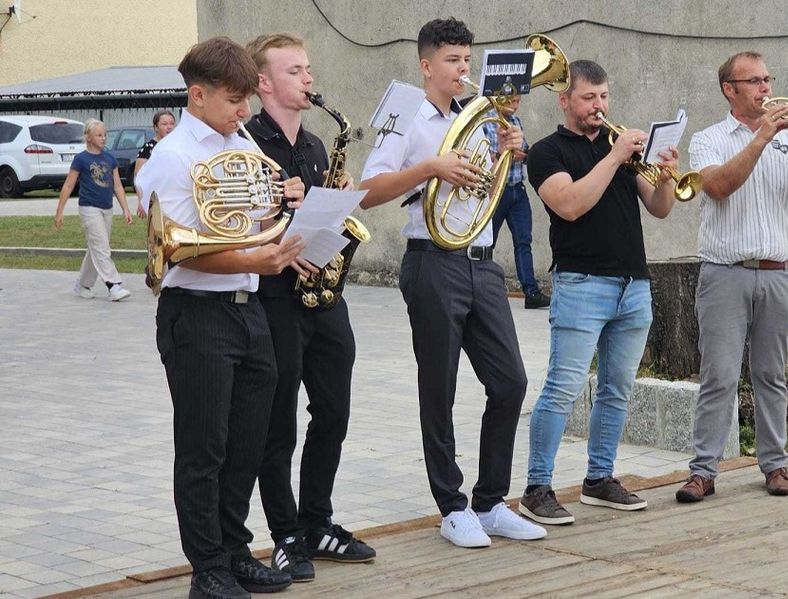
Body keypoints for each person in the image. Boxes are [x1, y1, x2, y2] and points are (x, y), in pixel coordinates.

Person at [357, 17, 545, 549]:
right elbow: (369, 191)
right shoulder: (405, 115)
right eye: (452, 61)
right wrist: (432, 167)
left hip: (482, 262)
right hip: (432, 260)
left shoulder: (475, 114)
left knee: (510, 381)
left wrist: (512, 147)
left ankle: (489, 502)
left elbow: (490, 183)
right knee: (438, 388)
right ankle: (452, 505)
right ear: (426, 65)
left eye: (467, 60)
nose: (463, 70)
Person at [134, 36, 308, 599]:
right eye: (235, 100)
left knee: (247, 444)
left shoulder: (244, 147)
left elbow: (258, 218)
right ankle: (206, 567)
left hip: (248, 307)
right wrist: (257, 256)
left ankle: (234, 550)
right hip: (198, 313)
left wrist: (289, 203)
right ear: (198, 94)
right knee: (204, 447)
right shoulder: (173, 156)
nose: (245, 111)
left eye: (246, 101)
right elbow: (182, 248)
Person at [518, 59, 680, 525]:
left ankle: (599, 479)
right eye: (589, 98)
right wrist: (614, 157)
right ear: (564, 100)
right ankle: (537, 486)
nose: (599, 106)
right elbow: (569, 205)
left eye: (604, 97)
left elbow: (660, 208)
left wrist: (666, 174)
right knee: (563, 389)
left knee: (617, 389)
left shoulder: (619, 147)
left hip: (633, 284)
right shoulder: (547, 152)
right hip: (581, 283)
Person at [243, 32, 375, 583]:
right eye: (295, 70)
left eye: (309, 69)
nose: (308, 79)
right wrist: (279, 202)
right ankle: (286, 534)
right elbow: (238, 226)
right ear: (264, 83)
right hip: (276, 300)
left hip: (325, 296)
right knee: (279, 426)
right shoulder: (247, 144)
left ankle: (318, 521)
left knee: (335, 414)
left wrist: (336, 194)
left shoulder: (319, 145)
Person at [674, 51, 788, 504]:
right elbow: (718, 187)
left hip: (780, 274)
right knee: (718, 375)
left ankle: (775, 464)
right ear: (730, 89)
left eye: (768, 78)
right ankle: (703, 470)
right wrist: (762, 137)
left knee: (772, 374)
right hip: (727, 273)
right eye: (755, 81)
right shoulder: (709, 139)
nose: (766, 88)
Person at [480, 95, 550, 309]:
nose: (516, 104)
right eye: (512, 100)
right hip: (497, 192)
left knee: (523, 242)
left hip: (517, 189)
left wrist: (524, 154)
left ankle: (531, 292)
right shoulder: (487, 122)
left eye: (518, 101)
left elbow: (525, 150)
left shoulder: (516, 122)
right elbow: (483, 157)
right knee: (485, 243)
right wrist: (502, 153)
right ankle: (481, 289)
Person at [53, 118, 133, 302]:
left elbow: (118, 186)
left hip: (107, 208)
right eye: (99, 135)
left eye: (105, 135)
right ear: (88, 137)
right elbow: (68, 185)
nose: (103, 138)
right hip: (89, 208)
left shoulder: (110, 158)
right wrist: (59, 211)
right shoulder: (81, 159)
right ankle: (113, 286)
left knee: (95, 248)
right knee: (102, 247)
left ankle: (83, 284)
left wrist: (126, 209)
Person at [133, 109, 177, 217]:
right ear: (156, 127)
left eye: (172, 123)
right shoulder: (148, 148)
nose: (169, 127)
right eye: (164, 124)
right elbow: (138, 176)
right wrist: (142, 201)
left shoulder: (178, 146)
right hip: (156, 198)